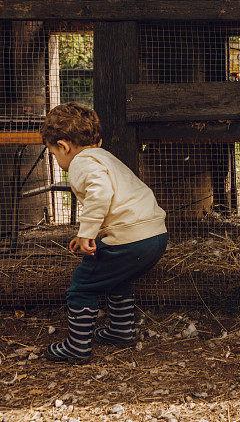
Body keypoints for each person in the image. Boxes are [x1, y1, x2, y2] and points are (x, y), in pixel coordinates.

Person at [39, 102, 168, 363]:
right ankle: (121, 331)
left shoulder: (81, 162)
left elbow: (100, 194)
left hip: (130, 239)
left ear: (63, 146)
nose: (57, 159)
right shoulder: (104, 157)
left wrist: (87, 233)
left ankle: (77, 347)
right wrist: (87, 232)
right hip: (154, 235)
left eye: (54, 154)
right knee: (116, 278)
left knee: (81, 286)